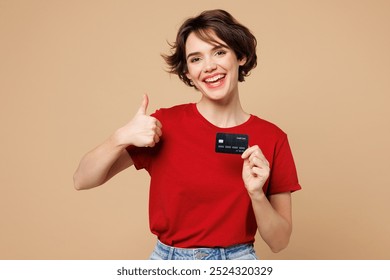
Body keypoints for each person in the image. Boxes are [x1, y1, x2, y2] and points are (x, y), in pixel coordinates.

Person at [73, 9, 301, 260]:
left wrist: (257, 194)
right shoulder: (164, 124)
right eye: (195, 59)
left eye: (220, 52)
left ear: (241, 56)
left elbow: (279, 241)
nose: (209, 66)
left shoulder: (272, 138)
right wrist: (120, 137)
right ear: (187, 72)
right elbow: (82, 180)